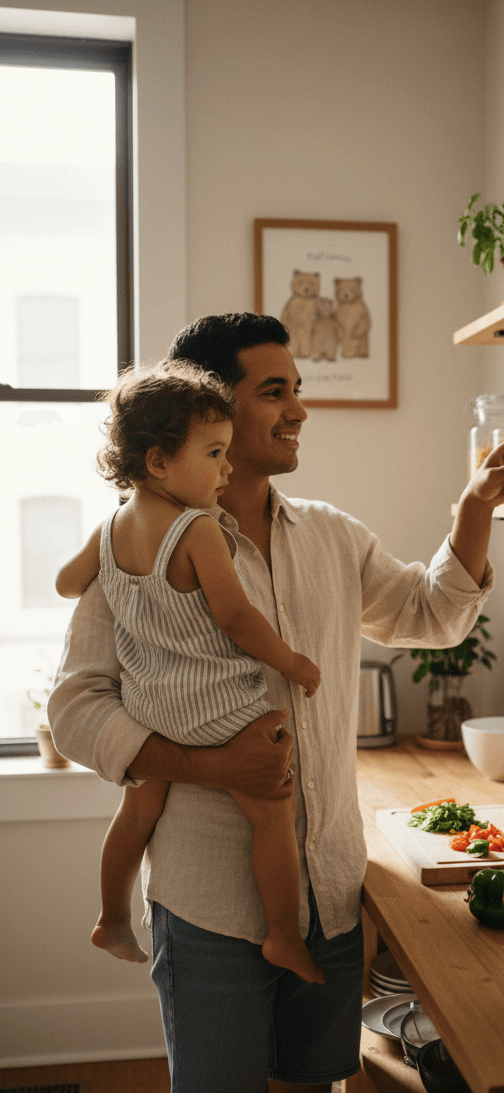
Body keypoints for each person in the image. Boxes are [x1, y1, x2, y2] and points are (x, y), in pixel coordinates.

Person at [48, 311, 504, 1093]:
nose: (298, 408)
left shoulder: (327, 536)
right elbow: (75, 707)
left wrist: (475, 508)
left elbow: (429, 613)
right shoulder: (140, 544)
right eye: (274, 389)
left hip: (325, 901)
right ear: (211, 404)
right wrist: (201, 766)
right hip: (209, 912)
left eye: (295, 385)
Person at [55, 360, 325, 985]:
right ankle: (285, 935)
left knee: (137, 816)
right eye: (214, 453)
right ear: (158, 462)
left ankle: (111, 917)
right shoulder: (197, 528)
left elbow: (68, 583)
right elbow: (235, 616)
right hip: (215, 710)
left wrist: (106, 565)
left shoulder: (111, 527)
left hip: (150, 711)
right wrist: (292, 661)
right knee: (272, 814)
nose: (227, 469)